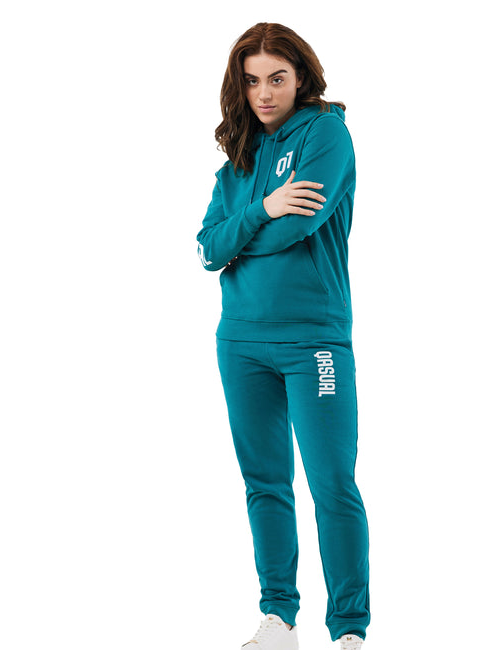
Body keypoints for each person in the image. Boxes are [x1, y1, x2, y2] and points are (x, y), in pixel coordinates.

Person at [197, 22, 370, 650]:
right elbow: (206, 250)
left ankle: (348, 630)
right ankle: (279, 619)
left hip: (313, 339)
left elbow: (301, 225)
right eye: (252, 81)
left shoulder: (326, 134)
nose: (264, 93)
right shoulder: (236, 165)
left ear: (300, 78)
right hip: (240, 343)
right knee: (264, 483)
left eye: (277, 78)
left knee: (332, 483)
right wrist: (264, 208)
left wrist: (241, 234)